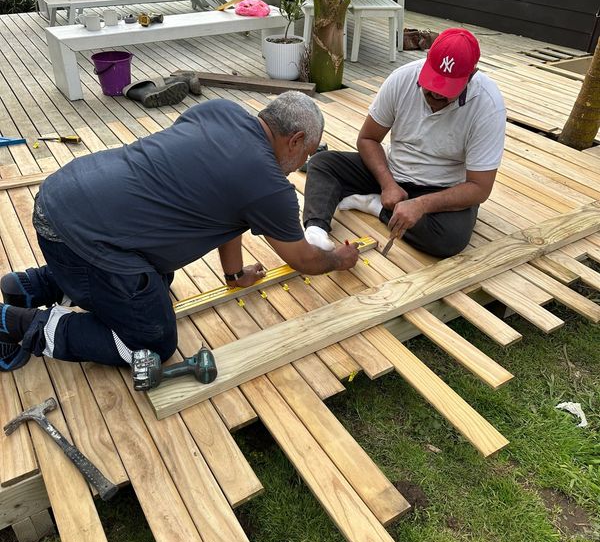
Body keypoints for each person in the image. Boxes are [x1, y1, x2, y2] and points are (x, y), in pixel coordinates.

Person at [0, 93, 359, 372]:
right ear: (295, 140)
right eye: (307, 154)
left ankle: (34, 286)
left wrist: (233, 275)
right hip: (79, 239)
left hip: (63, 194)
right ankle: (16, 324)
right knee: (150, 344)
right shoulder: (269, 186)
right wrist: (338, 259)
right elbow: (304, 258)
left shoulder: (221, 110)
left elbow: (232, 213)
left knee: (156, 278)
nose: (303, 164)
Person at [303, 28, 506, 259]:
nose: (436, 97)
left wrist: (421, 205)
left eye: (445, 91)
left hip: (444, 188)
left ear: (471, 76)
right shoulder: (403, 78)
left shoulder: (488, 105)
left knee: (450, 239)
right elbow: (368, 139)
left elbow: (479, 188)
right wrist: (388, 183)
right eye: (431, 88)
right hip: (393, 171)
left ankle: (376, 206)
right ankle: (316, 230)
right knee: (322, 163)